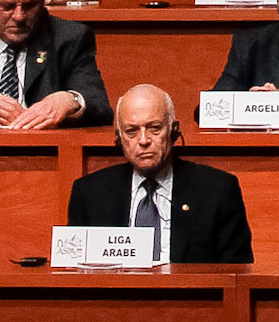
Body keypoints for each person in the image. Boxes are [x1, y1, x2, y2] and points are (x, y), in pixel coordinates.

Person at [66, 83, 253, 263]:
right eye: (132, 131)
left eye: (154, 128)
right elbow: (75, 272)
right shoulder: (89, 194)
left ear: (173, 131)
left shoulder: (217, 190)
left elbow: (238, 274)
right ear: (118, 138)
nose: (144, 140)